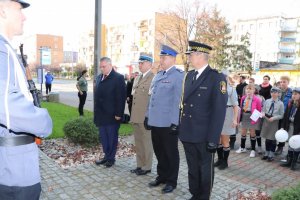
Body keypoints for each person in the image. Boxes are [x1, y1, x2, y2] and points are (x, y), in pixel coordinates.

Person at [0, 1, 53, 199]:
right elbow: (4, 103)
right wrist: (43, 121)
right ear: (3, 10)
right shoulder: (2, 50)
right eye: (19, 10)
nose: (24, 16)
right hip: (15, 169)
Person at [179, 41, 227, 200]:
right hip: (188, 132)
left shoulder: (216, 78)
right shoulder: (189, 75)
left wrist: (214, 139)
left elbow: (219, 111)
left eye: (191, 55)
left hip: (204, 134)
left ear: (200, 56)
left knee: (205, 169)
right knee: (192, 167)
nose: (189, 58)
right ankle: (195, 193)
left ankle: (204, 196)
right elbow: (183, 105)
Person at [145, 45, 183, 194]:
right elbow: (151, 98)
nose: (161, 60)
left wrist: (175, 122)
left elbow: (177, 102)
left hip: (168, 123)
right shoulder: (158, 75)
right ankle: (162, 176)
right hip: (155, 121)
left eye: (164, 57)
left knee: (170, 152)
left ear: (173, 59)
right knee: (159, 151)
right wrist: (148, 116)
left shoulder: (179, 76)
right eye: (161, 57)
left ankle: (171, 181)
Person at [94, 57, 126, 168]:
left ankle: (111, 158)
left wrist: (119, 113)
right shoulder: (99, 78)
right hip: (101, 114)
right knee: (104, 138)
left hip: (112, 115)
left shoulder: (118, 78)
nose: (102, 69)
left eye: (104, 66)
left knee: (112, 138)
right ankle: (106, 156)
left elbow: (121, 97)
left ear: (110, 65)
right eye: (101, 67)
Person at [130, 54, 155, 175]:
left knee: (146, 143)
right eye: (139, 63)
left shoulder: (153, 78)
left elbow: (153, 100)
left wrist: (149, 116)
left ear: (150, 64)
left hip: (145, 117)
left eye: (142, 63)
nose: (140, 65)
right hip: (136, 116)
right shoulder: (138, 77)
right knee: (138, 142)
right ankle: (139, 165)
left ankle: (147, 166)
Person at [214, 70, 239, 170]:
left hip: (228, 113)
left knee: (225, 140)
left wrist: (235, 119)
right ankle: (220, 159)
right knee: (217, 140)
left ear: (227, 77)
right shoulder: (216, 88)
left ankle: (225, 162)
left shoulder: (232, 89)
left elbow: (236, 106)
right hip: (217, 114)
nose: (222, 78)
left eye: (224, 76)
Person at [236, 84, 262, 158]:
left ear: (254, 90)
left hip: (252, 116)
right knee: (243, 132)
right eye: (247, 89)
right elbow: (241, 108)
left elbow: (259, 109)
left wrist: (256, 118)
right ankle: (242, 147)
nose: (248, 90)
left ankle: (253, 150)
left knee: (252, 133)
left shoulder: (257, 99)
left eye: (250, 89)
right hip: (245, 115)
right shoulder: (243, 98)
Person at [260, 87, 284, 161]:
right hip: (266, 121)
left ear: (278, 94)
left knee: (273, 139)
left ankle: (271, 154)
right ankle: (267, 153)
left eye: (275, 92)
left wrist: (274, 118)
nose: (273, 94)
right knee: (267, 138)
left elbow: (281, 115)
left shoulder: (280, 103)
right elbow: (263, 110)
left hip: (274, 122)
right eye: (272, 92)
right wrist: (263, 114)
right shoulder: (267, 101)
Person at [280, 87, 300, 170]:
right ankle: (289, 161)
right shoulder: (290, 103)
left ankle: (294, 163)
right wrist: (283, 127)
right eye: (293, 94)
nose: (293, 96)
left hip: (298, 128)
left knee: (296, 145)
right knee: (290, 144)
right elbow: (286, 116)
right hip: (290, 126)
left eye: (296, 94)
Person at [275, 76, 293, 155]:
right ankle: (274, 146)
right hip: (276, 114)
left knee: (283, 131)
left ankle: (280, 147)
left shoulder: (291, 92)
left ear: (288, 83)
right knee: (275, 130)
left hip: (285, 115)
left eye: (284, 82)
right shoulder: (277, 91)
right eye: (281, 82)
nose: (282, 83)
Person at [230, 75, 247, 149]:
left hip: (235, 107)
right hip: (228, 108)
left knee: (234, 126)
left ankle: (232, 142)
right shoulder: (237, 86)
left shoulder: (244, 86)